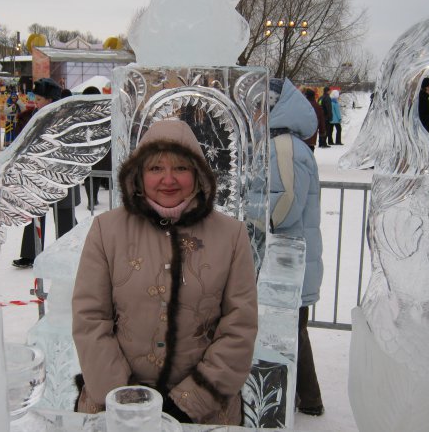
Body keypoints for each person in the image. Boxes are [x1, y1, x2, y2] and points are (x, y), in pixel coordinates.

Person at [72, 119, 258, 425]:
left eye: (181, 168)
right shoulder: (106, 231)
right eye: (156, 168)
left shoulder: (232, 236)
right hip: (115, 410)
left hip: (204, 413)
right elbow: (90, 319)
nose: (168, 179)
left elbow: (240, 327)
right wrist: (125, 400)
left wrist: (188, 403)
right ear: (139, 174)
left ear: (197, 174)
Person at [267, 78, 324, 417]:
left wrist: (246, 219)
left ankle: (300, 400)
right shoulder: (284, 142)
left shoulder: (283, 145)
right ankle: (307, 398)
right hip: (292, 260)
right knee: (294, 331)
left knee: (290, 332)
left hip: (288, 261)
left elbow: (284, 207)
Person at [12, 79, 80, 268]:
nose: (36, 102)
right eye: (36, 98)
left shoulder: (65, 117)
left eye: (40, 99)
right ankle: (30, 253)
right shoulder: (35, 116)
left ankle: (70, 252)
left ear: (50, 100)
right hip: (39, 173)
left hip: (61, 174)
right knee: (35, 212)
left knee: (65, 215)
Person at [81, 86, 111, 209]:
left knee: (91, 175)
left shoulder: (83, 112)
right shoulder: (105, 110)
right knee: (98, 173)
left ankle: (92, 200)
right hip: (104, 149)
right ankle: (94, 200)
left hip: (89, 149)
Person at [303, 88, 326, 152]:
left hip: (300, 135)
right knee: (310, 150)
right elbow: (321, 120)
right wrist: (322, 132)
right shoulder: (317, 106)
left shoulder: (301, 105)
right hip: (312, 135)